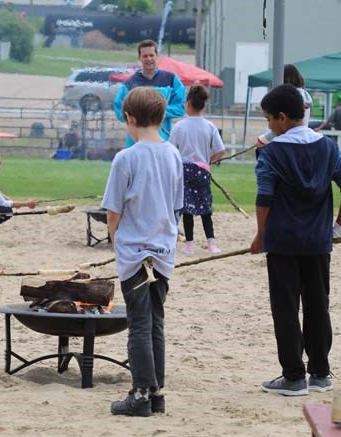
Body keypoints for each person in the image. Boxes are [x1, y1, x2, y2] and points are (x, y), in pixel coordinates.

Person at [250, 85, 341, 396]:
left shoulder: (271, 153)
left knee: (285, 308)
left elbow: (264, 198)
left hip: (282, 242)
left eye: (270, 119)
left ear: (283, 118)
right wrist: (337, 228)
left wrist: (260, 235)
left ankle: (294, 376)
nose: (269, 126)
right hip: (319, 243)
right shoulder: (330, 149)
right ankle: (321, 373)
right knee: (317, 306)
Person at [103, 87, 184, 416]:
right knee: (156, 321)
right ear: (163, 117)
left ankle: (140, 394)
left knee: (139, 323)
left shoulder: (126, 158)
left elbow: (113, 210)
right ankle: (155, 392)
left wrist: (114, 241)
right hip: (164, 251)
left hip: (136, 252)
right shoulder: (173, 154)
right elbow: (177, 205)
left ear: (129, 118)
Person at [169, 85, 225, 256]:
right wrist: (209, 162)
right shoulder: (209, 126)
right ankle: (211, 243)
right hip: (202, 171)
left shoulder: (179, 126)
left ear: (187, 104)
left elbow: (171, 150)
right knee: (205, 207)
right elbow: (220, 150)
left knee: (187, 208)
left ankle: (189, 245)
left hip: (184, 171)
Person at [113, 39, 186, 147]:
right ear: (139, 57)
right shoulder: (130, 84)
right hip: (135, 144)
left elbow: (181, 108)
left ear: (157, 56)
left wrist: (154, 111)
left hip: (162, 142)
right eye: (145, 56)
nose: (149, 59)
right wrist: (140, 113)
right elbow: (120, 112)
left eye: (151, 55)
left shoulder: (171, 80)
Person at [256, 64, 313, 147]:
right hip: (302, 140)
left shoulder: (285, 98)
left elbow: (279, 123)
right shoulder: (305, 95)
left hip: (284, 141)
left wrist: (264, 140)